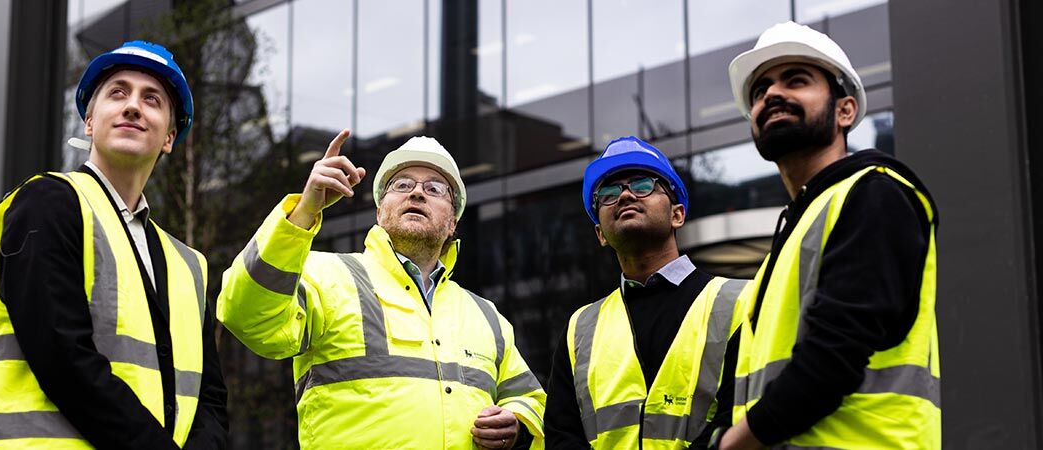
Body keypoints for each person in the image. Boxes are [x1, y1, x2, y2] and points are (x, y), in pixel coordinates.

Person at [0, 41, 228, 449]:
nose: (133, 106)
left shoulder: (188, 265)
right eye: (118, 92)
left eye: (152, 99)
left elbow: (208, 398)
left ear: (169, 138)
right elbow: (61, 355)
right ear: (89, 121)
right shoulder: (47, 204)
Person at [216, 131, 546, 449]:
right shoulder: (327, 276)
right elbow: (246, 314)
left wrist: (515, 425)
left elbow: (531, 400)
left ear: (453, 223)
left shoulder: (485, 316)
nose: (417, 193)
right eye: (402, 185)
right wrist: (304, 211)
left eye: (434, 188)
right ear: (379, 211)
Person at [714, 22, 940, 449]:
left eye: (795, 80)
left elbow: (832, 359)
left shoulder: (875, 193)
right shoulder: (790, 240)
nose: (771, 95)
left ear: (845, 111)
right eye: (760, 90)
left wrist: (732, 445)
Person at [544, 137, 748, 449]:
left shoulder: (739, 302)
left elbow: (742, 413)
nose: (625, 195)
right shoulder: (579, 330)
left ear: (677, 214)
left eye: (643, 184)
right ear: (600, 234)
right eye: (609, 194)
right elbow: (561, 436)